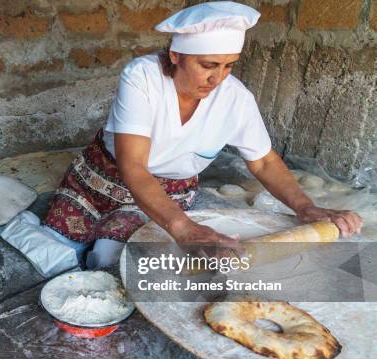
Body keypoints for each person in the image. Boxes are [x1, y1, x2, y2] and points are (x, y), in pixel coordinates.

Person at [41, 1, 363, 269]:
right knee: (55, 249)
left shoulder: (235, 99)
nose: (217, 78)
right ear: (176, 56)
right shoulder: (143, 77)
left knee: (110, 258)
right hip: (102, 178)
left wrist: (305, 207)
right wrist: (183, 227)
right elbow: (134, 167)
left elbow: (264, 162)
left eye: (228, 66)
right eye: (208, 65)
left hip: (165, 196)